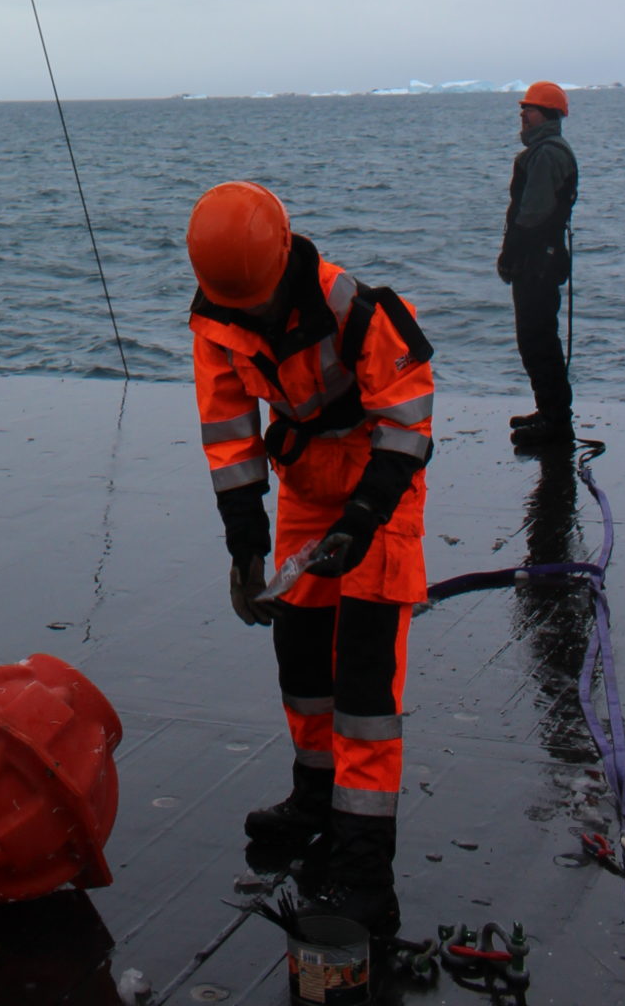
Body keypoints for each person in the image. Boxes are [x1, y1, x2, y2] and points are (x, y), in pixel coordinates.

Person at [188, 179, 434, 941]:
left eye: (255, 303)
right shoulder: (216, 316)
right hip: (302, 487)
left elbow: (407, 420)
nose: (249, 316)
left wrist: (363, 517)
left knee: (362, 679)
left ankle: (364, 870)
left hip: (376, 488)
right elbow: (228, 437)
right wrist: (245, 546)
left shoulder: (356, 308)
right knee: (299, 655)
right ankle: (313, 797)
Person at [498, 82, 578, 446]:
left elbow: (532, 214)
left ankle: (555, 420)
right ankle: (550, 411)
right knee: (539, 337)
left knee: (536, 338)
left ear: (546, 115)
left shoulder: (546, 154)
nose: (523, 116)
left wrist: (511, 253)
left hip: (537, 261)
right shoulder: (545, 151)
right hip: (542, 258)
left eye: (529, 110)